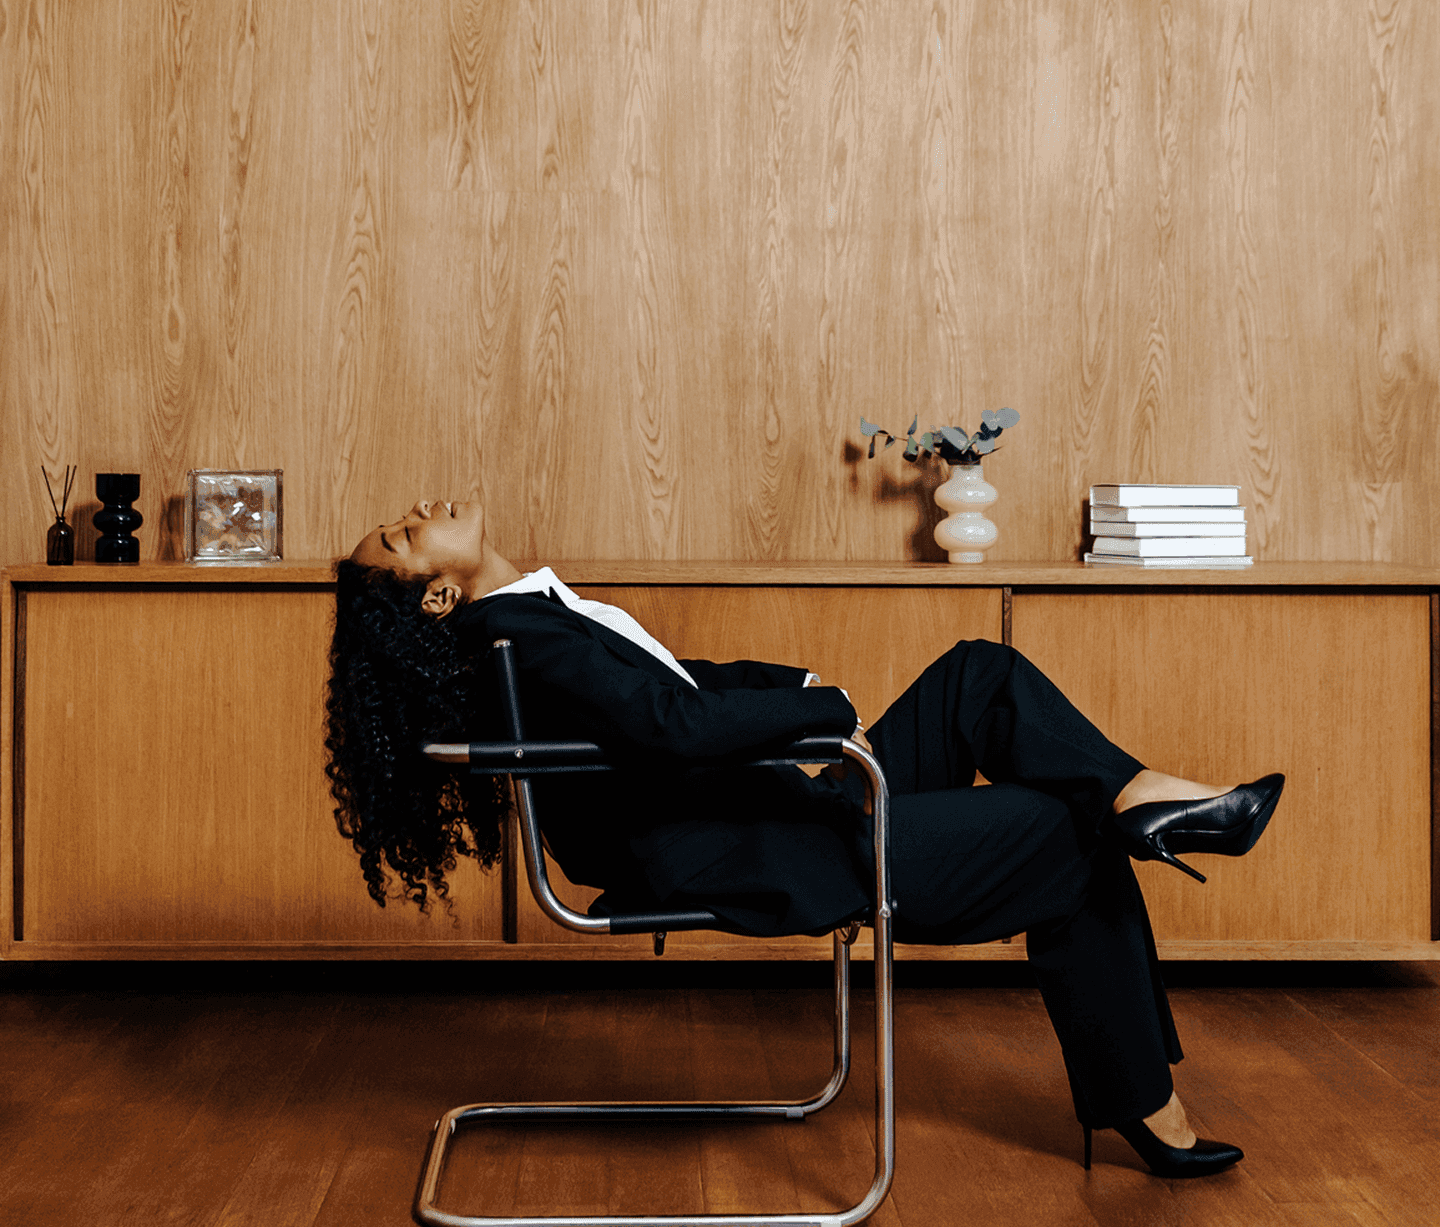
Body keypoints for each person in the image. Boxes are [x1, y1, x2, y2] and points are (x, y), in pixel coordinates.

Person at [325, 496, 1284, 1180]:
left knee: (977, 675)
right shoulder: (518, 634)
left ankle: (1140, 794)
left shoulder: (532, 614)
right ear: (438, 597)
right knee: (1065, 831)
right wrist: (820, 708)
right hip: (753, 843)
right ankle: (1143, 1091)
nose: (417, 510)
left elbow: (678, 678)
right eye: (404, 538)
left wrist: (798, 684)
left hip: (776, 806)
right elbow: (669, 723)